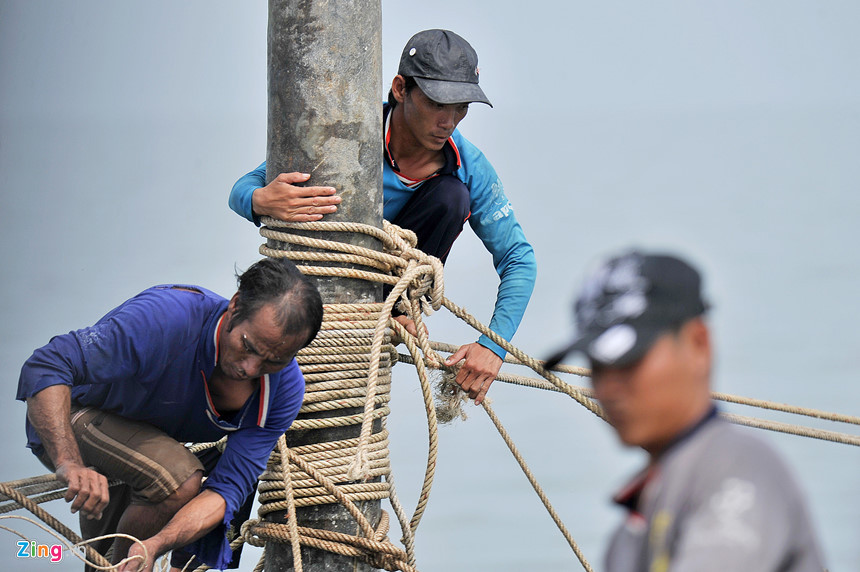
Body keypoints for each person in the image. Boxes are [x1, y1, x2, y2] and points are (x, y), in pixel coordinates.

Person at [228, 29, 537, 405]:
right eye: (439, 104)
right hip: (305, 288)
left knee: (451, 197)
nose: (449, 120)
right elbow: (243, 188)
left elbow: (519, 259)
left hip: (387, 303)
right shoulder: (347, 133)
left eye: (461, 108)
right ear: (400, 88)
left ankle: (398, 311)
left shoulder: (468, 166)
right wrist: (261, 199)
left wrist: (494, 346)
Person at [16, 257, 323, 572]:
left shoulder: (283, 390)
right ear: (235, 305)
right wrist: (69, 463)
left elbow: (226, 490)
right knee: (178, 478)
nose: (251, 369)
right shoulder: (165, 319)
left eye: (274, 361)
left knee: (220, 483)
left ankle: (132, 564)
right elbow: (47, 366)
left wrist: (155, 545)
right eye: (248, 346)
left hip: (148, 453)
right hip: (73, 422)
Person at [545, 250, 826, 572]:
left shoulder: (740, 474)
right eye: (597, 365)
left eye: (628, 360)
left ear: (698, 345)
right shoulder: (628, 532)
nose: (608, 387)